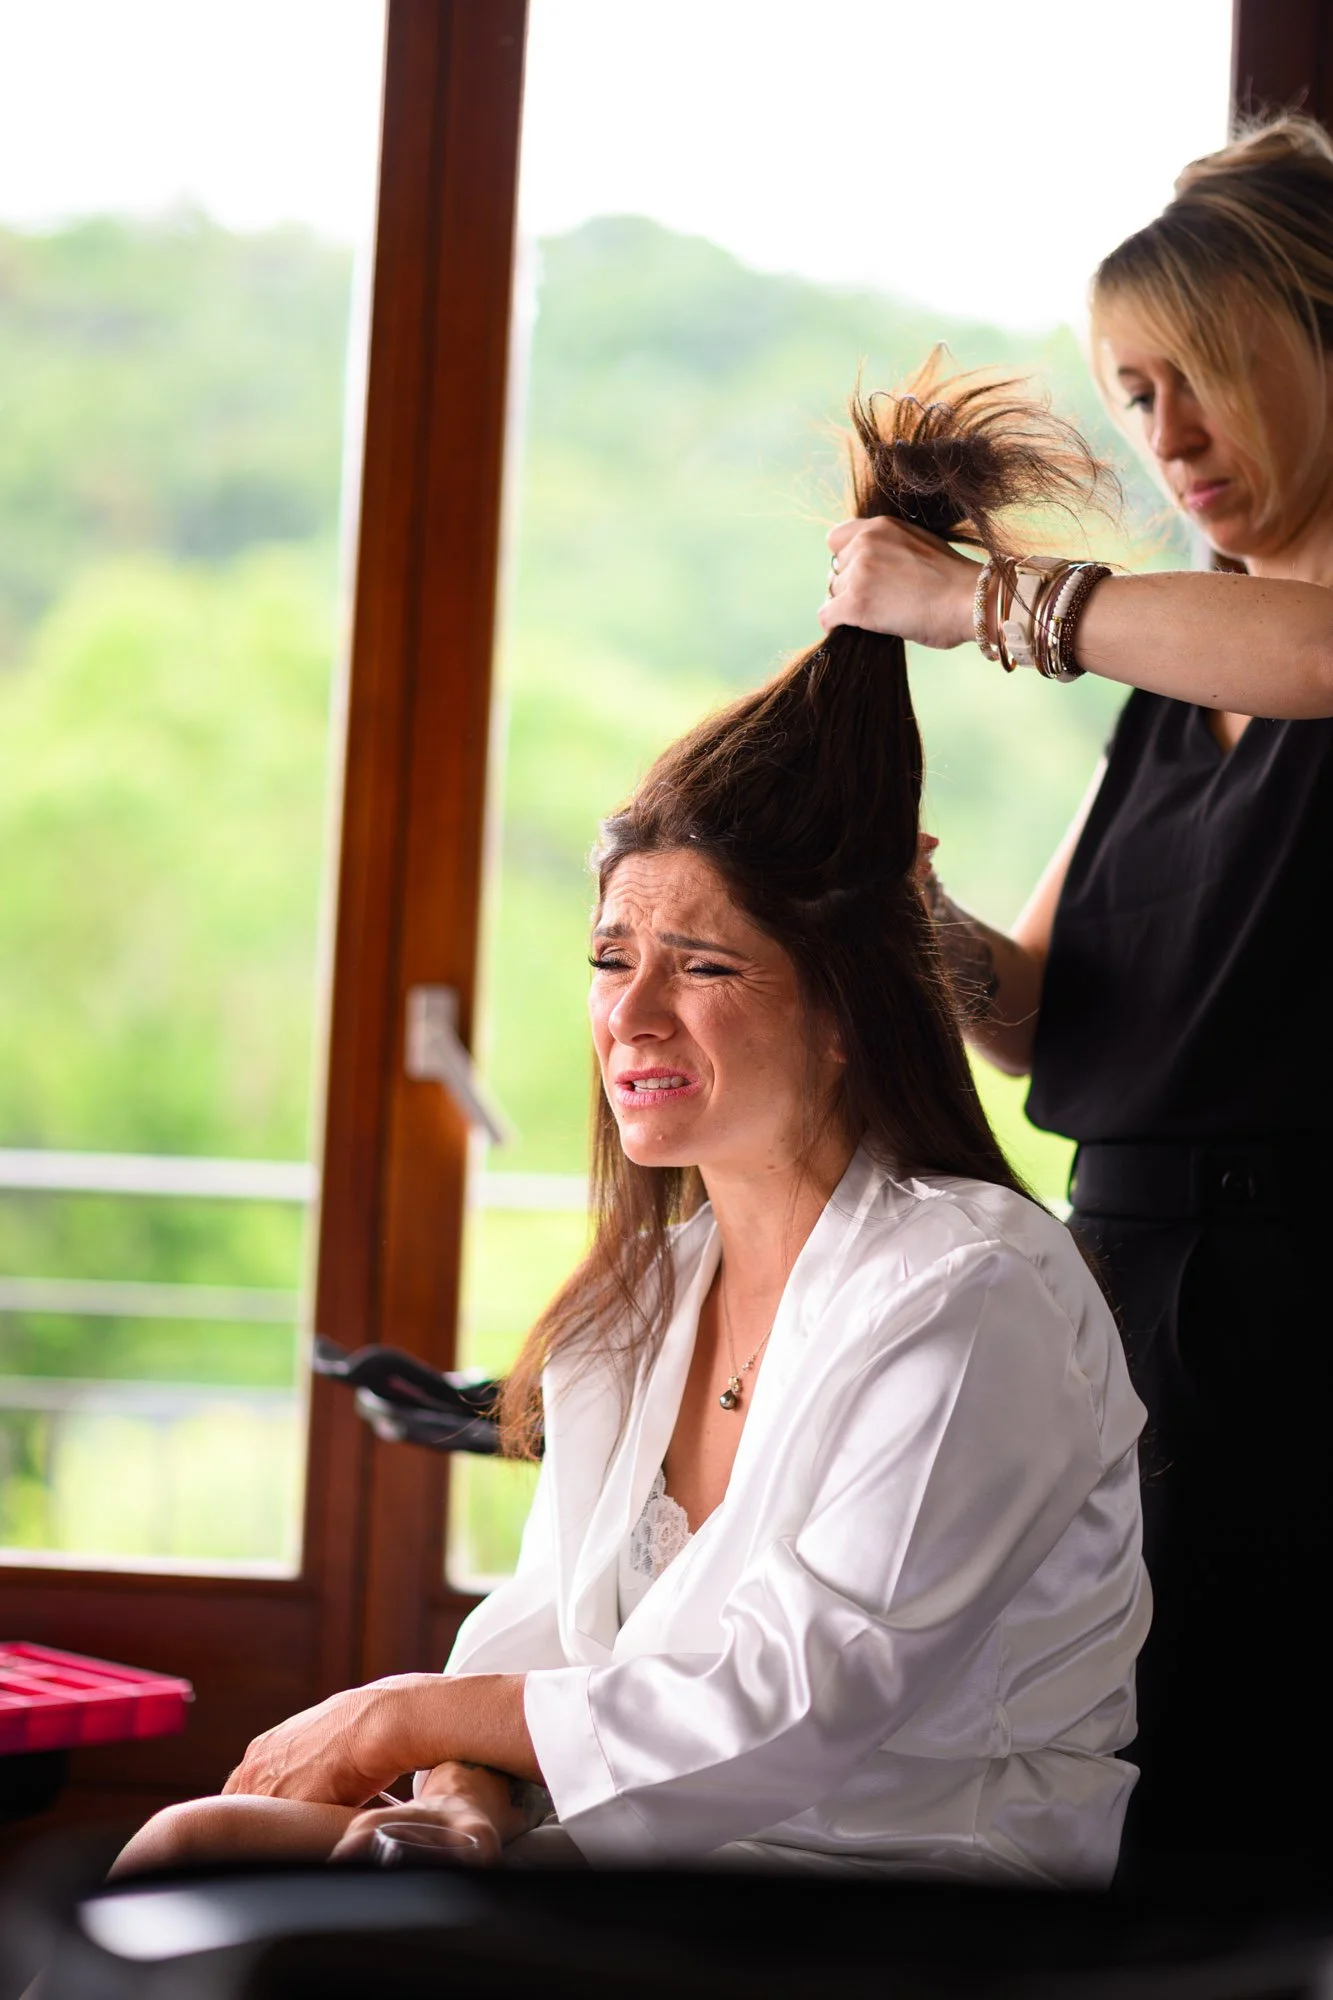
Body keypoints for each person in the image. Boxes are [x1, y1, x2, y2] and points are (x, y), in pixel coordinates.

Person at [114, 370, 1147, 1885]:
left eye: (705, 965)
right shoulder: (653, 1292)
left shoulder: (973, 1291)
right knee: (194, 1848)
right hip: (640, 1865)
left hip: (896, 1896)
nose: (632, 1019)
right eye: (612, 960)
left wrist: (406, 1712)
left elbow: (799, 1701)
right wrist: (460, 1790)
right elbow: (546, 1634)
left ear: (850, 1001)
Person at [821, 114, 1333, 1868]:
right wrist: (908, 907)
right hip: (1111, 1294)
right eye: (1130, 394)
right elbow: (1032, 1012)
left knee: (1258, 1800)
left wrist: (986, 608)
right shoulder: (1173, 686)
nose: (1164, 437)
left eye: (1202, 379)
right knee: (1107, 1784)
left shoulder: (1279, 648)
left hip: (1299, 1318)